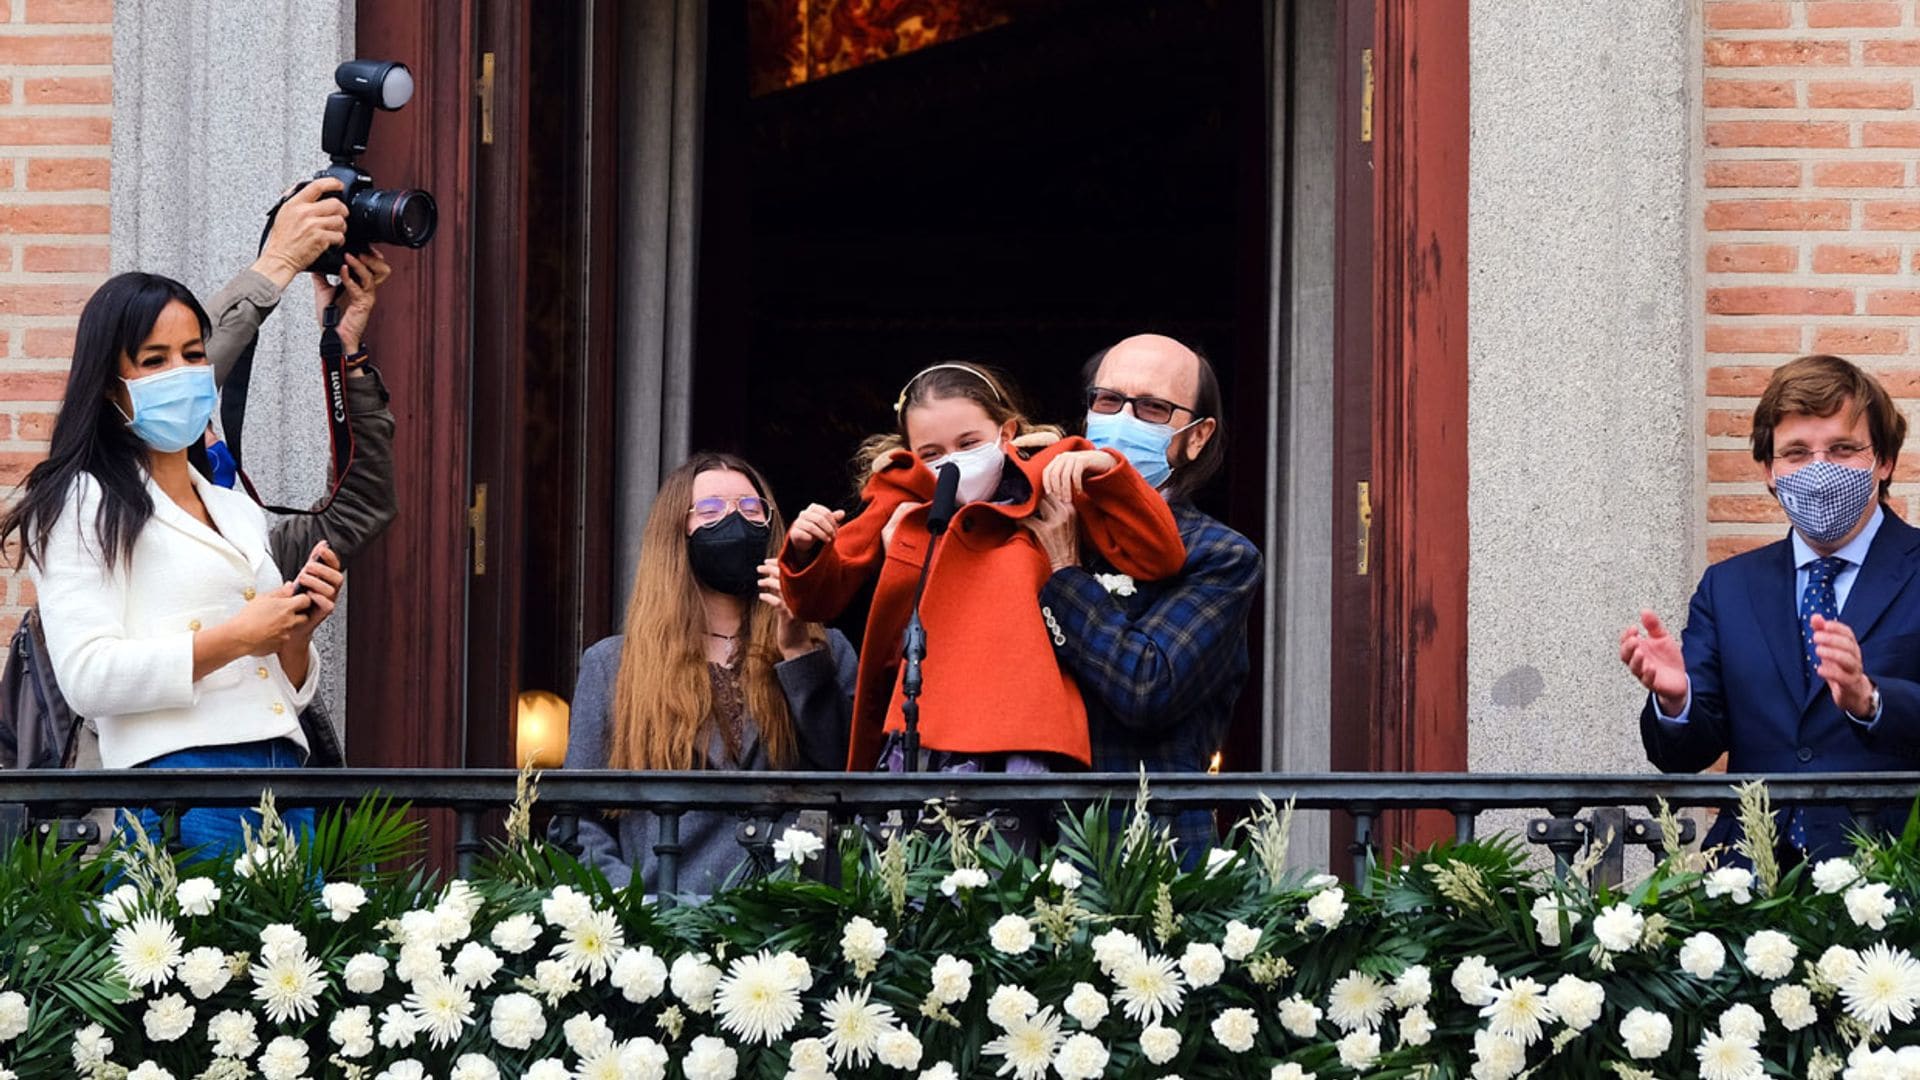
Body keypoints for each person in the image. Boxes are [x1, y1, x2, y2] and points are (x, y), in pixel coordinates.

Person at [2, 273, 344, 857]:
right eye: (154, 360)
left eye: (192, 355)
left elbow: (280, 683)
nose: (181, 374)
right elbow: (87, 677)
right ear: (111, 386)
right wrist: (237, 637)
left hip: (286, 779)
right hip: (181, 787)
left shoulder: (236, 509)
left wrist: (294, 631)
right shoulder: (83, 502)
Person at [779, 362, 1186, 775]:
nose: (952, 462)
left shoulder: (1051, 475)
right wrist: (806, 548)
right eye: (932, 453)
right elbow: (817, 600)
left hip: (1021, 730)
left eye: (969, 442)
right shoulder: (899, 498)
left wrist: (1108, 474)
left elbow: (1159, 555)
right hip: (924, 725)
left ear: (1006, 433)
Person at [1623, 354, 1920, 861]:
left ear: (1884, 461)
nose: (1819, 470)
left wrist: (1871, 699)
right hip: (1749, 895)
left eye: (1843, 449)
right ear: (1769, 471)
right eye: (1797, 453)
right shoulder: (1728, 587)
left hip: (1892, 887)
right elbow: (1683, 756)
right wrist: (1678, 703)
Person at [564, 452, 857, 893]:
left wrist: (798, 654)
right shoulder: (612, 665)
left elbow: (850, 781)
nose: (734, 520)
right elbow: (578, 822)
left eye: (750, 508)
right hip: (660, 928)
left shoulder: (826, 649)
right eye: (711, 510)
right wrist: (636, 908)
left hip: (787, 925)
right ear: (674, 533)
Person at [1020, 334, 1264, 859]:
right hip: (1018, 853)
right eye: (1108, 401)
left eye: (1152, 408)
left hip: (1147, 858)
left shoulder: (1219, 555)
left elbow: (1145, 687)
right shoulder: (1036, 524)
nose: (1123, 420)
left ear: (1196, 438)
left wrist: (1065, 573)